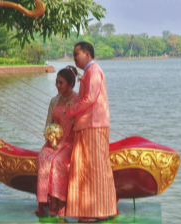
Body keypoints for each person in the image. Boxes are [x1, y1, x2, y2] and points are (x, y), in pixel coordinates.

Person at [65, 42, 117, 222]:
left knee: (92, 168)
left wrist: (70, 111)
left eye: (76, 54)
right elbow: (86, 98)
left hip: (93, 126)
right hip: (90, 125)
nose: (74, 57)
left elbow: (89, 99)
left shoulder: (93, 71)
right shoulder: (89, 71)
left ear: (87, 54)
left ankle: (95, 211)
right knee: (92, 168)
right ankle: (98, 210)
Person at [35, 66, 79, 218]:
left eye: (61, 83)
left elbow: (80, 125)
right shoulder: (54, 101)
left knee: (59, 161)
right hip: (53, 142)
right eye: (56, 82)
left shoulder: (78, 100)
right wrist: (50, 136)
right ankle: (51, 201)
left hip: (71, 142)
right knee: (44, 158)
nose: (58, 85)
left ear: (71, 84)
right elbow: (48, 123)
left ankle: (62, 202)